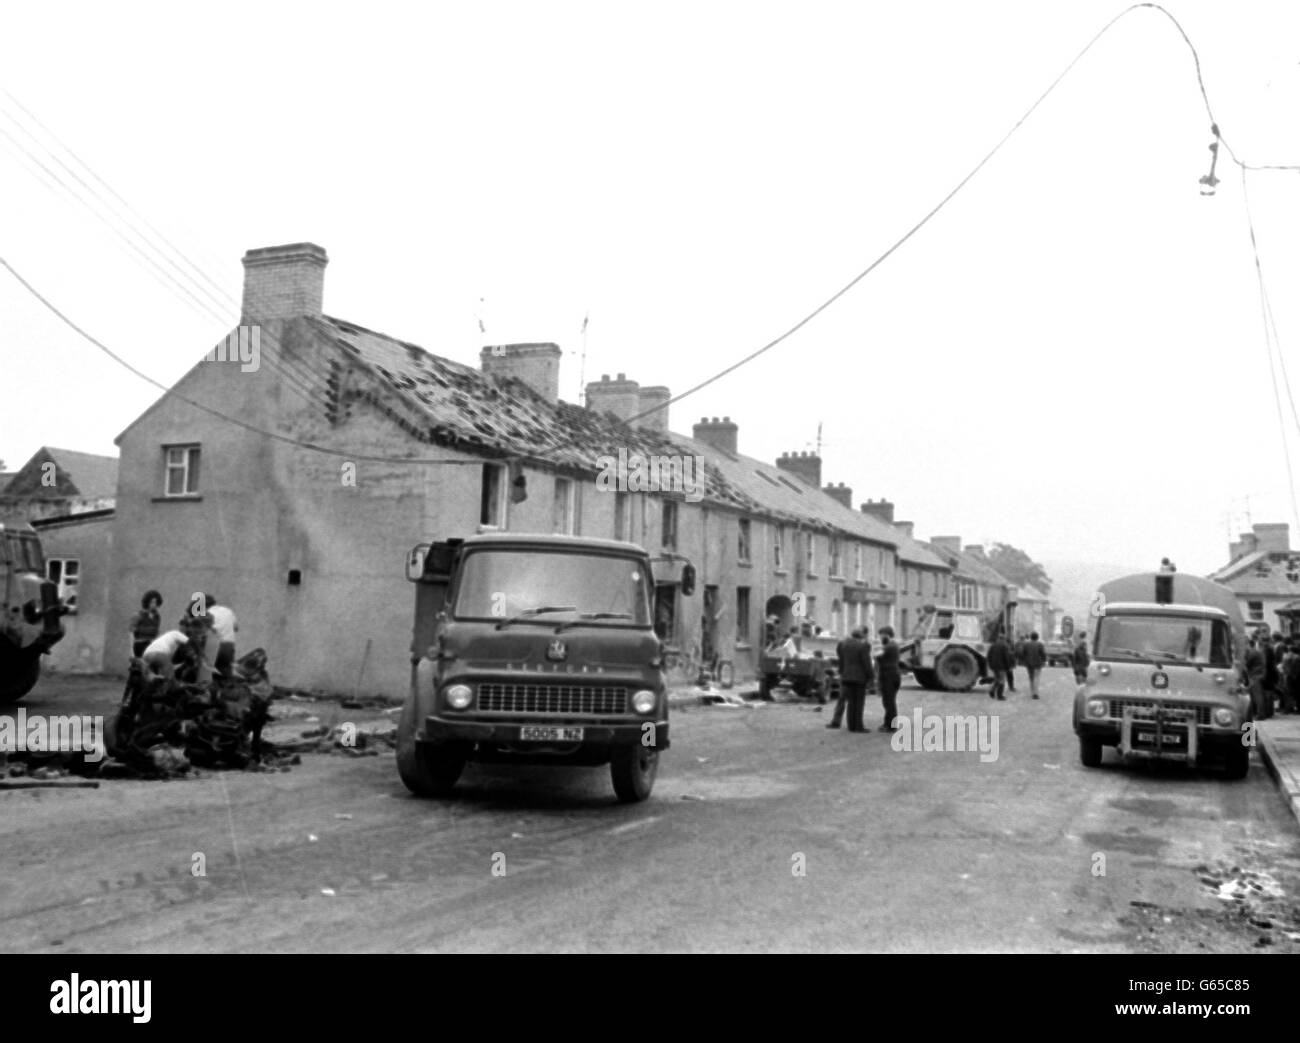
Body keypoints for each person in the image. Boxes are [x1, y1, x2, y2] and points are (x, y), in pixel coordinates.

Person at [837, 628, 875, 733]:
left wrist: (842, 672)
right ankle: (858, 726)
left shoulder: (844, 645)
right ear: (861, 636)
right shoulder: (862, 646)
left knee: (851, 702)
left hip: (847, 676)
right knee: (859, 702)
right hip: (859, 677)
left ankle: (851, 725)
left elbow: (842, 660)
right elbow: (866, 662)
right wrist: (871, 676)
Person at [828, 628, 861, 728]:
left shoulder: (842, 644)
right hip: (856, 676)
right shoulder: (861, 646)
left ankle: (836, 721)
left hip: (844, 674)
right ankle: (853, 723)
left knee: (841, 698)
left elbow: (840, 657)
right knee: (854, 700)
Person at [875, 626, 902, 731]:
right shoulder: (893, 645)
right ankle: (888, 723)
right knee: (889, 701)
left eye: (881, 635)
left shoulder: (890, 646)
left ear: (887, 635)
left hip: (889, 676)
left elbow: (877, 655)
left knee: (889, 701)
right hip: (893, 675)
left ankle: (891, 725)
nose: (880, 637)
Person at [206, 594, 239, 678]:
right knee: (226, 675)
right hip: (228, 646)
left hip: (213, 646)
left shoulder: (206, 614)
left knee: (208, 675)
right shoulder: (228, 611)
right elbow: (236, 628)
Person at [127, 590, 163, 658]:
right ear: (147, 602)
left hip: (151, 646)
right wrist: (132, 651)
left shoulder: (157, 617)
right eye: (152, 602)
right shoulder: (138, 615)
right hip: (140, 645)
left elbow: (157, 632)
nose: (154, 605)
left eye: (156, 602)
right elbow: (131, 633)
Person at [1021, 630, 1047, 699]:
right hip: (1038, 663)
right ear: (1037, 637)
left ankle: (1032, 692)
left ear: (1030, 637)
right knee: (1036, 678)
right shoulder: (1040, 644)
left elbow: (1023, 653)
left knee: (1031, 677)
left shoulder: (1026, 644)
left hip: (1028, 663)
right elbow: (1043, 654)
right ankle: (1035, 693)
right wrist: (1044, 661)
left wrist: (1024, 660)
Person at [987, 633, 1013, 700]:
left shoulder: (993, 645)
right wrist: (1008, 667)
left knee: (997, 679)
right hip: (1002, 666)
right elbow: (1006, 657)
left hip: (994, 666)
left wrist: (990, 665)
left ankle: (992, 691)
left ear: (998, 638)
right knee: (1002, 680)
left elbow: (989, 656)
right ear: (1004, 639)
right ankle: (1000, 695)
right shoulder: (1005, 646)